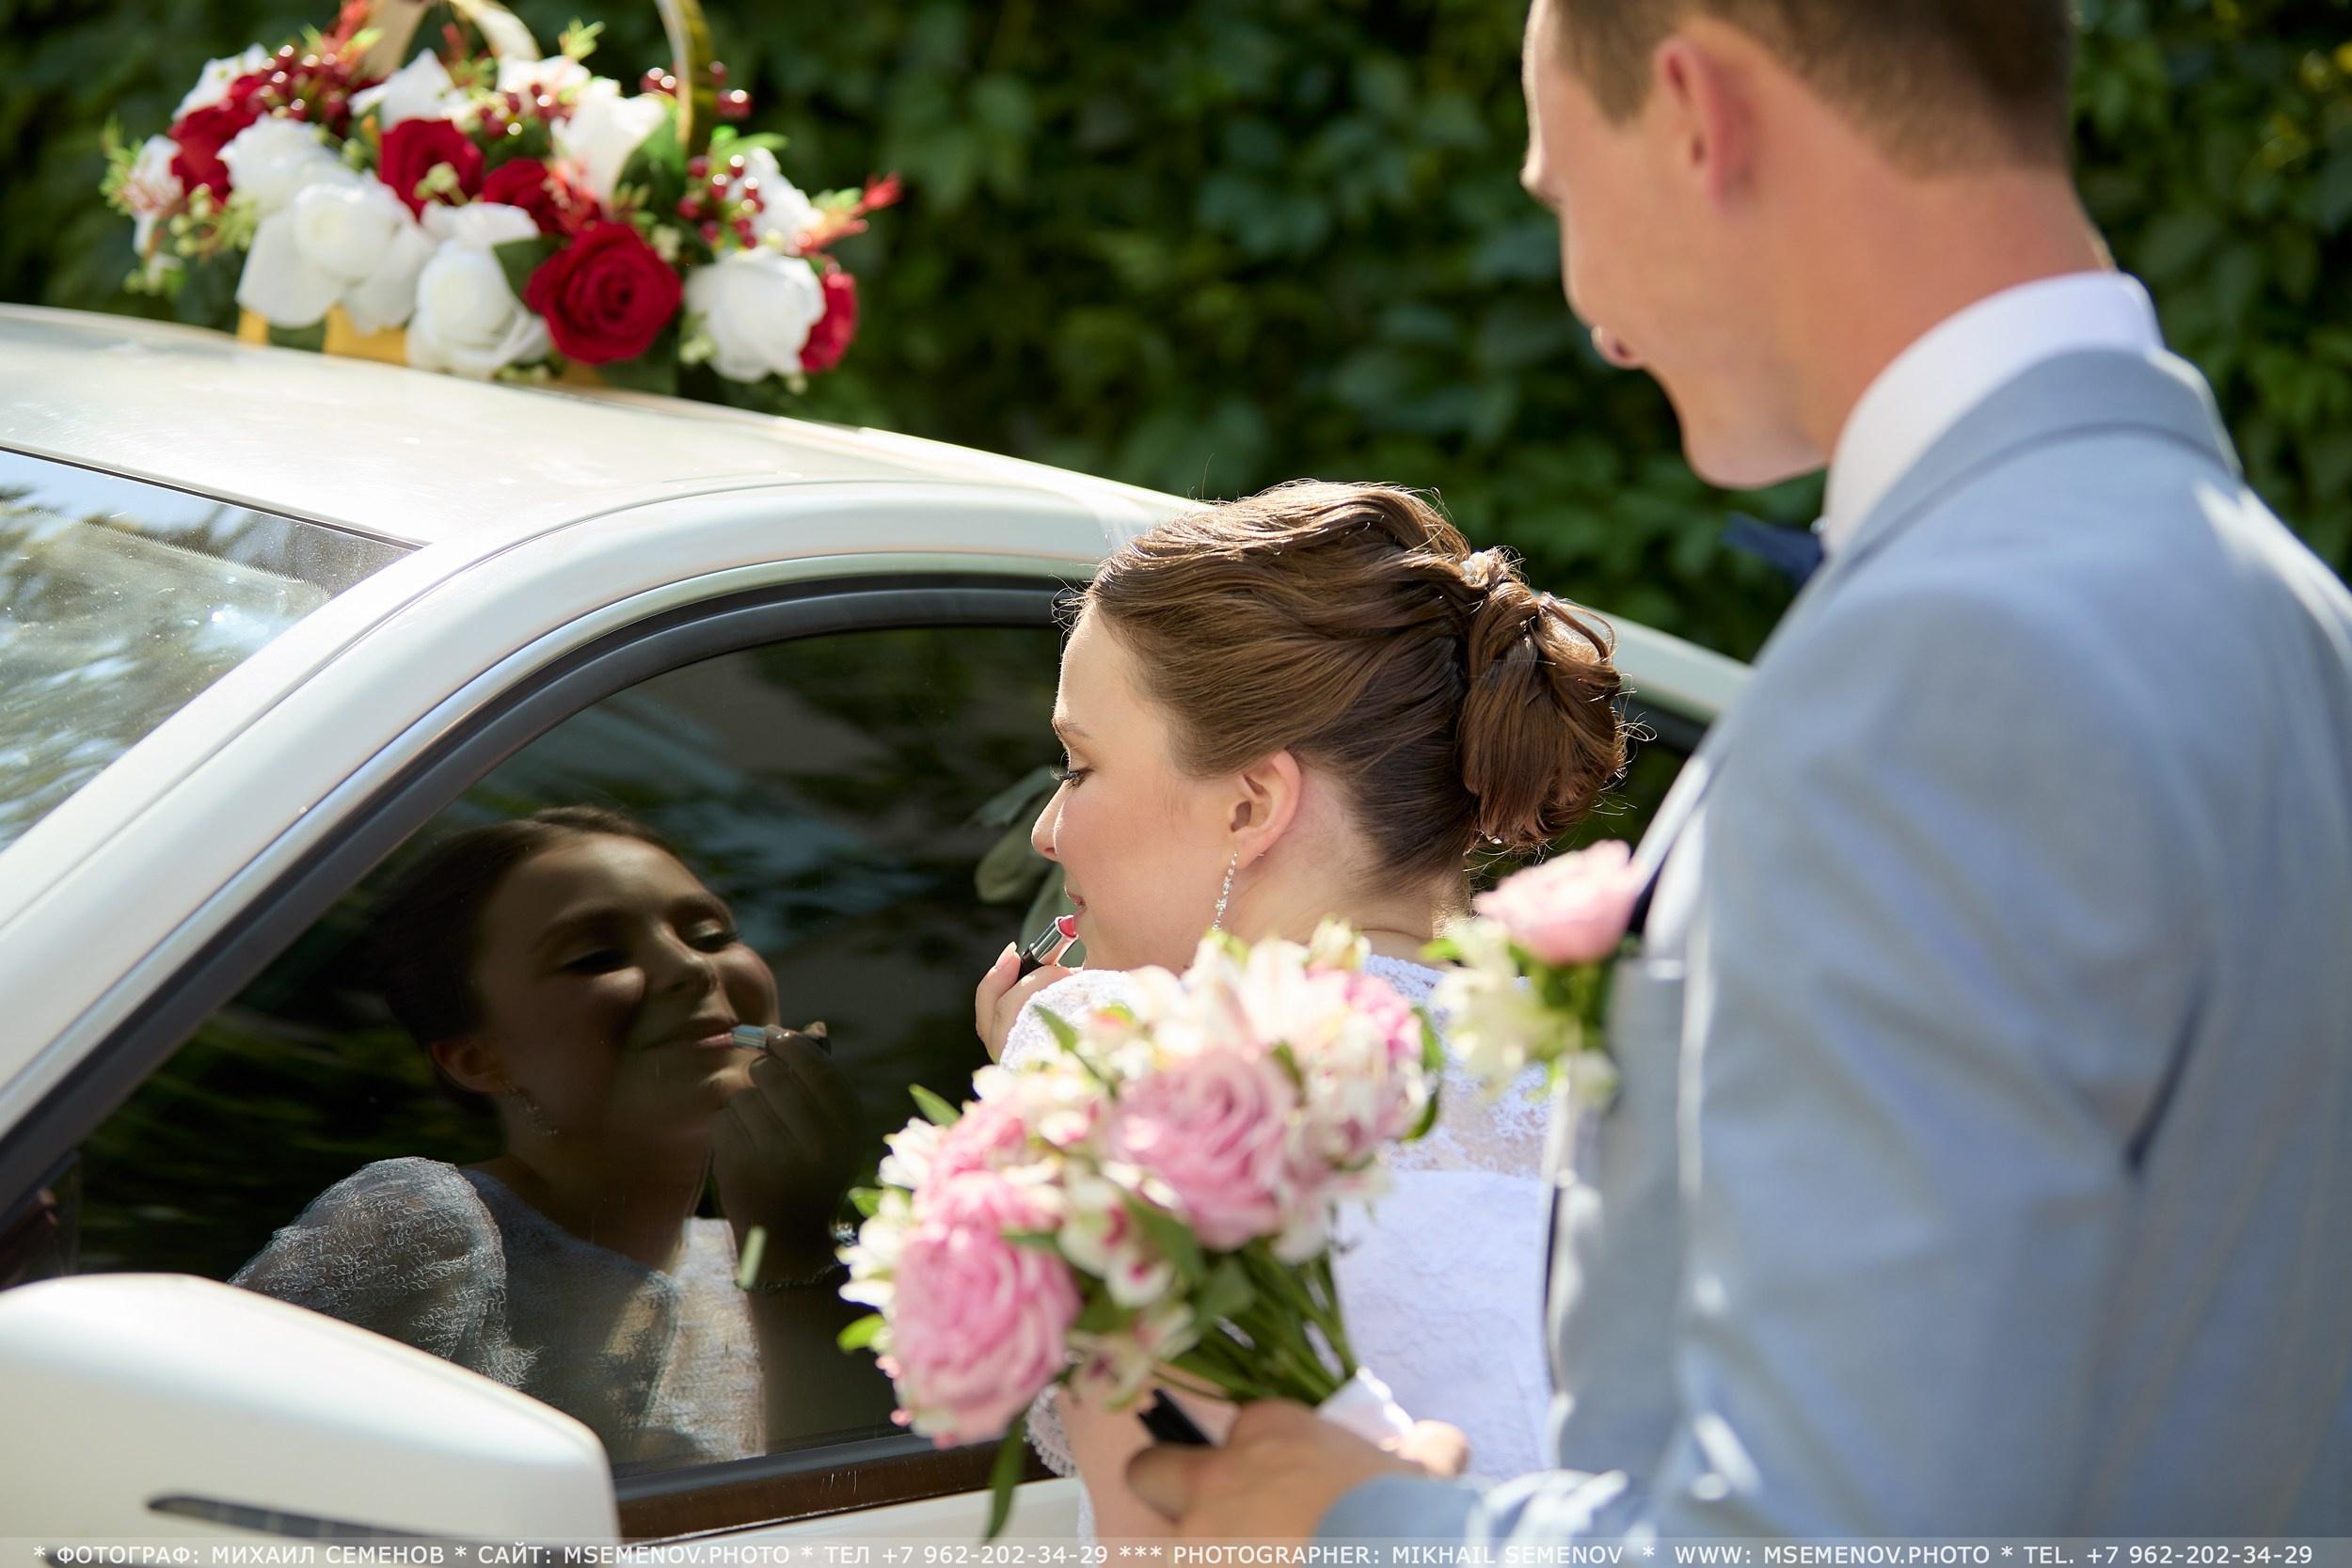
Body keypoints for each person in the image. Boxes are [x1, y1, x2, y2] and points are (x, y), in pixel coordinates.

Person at [1126, 0, 2352, 1541]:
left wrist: (1359, 1527)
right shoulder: (2291, 613)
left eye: (1562, 191)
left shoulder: (1949, 663)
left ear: (1699, 114)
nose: (1584, 306)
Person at [970, 481, 1626, 1536]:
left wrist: (1033, 1098)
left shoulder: (1113, 1067)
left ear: (1251, 803)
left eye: (1081, 764)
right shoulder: (1609, 1064)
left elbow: (1163, 1545)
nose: (1049, 829)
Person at [236, 806, 889, 1473]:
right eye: (596, 956)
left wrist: (790, 1243)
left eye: (713, 933)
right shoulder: (430, 1229)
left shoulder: (807, 1249)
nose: (691, 967)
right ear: (479, 1058)